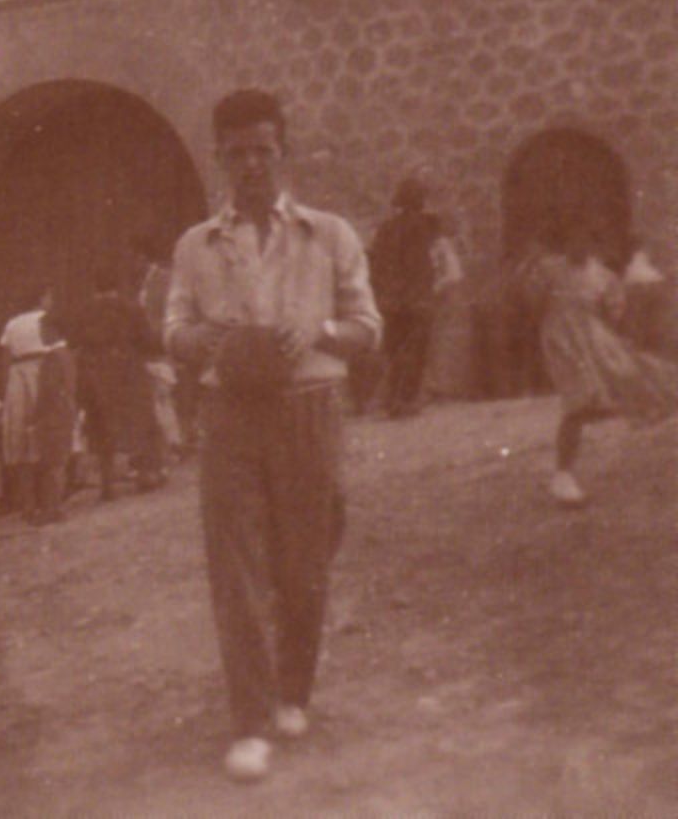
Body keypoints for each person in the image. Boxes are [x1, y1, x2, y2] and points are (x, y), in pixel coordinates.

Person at [165, 89, 381, 782]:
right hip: (229, 414)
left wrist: (314, 331)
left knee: (304, 563)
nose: (251, 164)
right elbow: (173, 331)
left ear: (282, 150)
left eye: (263, 150)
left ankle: (293, 690)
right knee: (236, 569)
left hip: (309, 405)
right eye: (237, 154)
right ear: (220, 159)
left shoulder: (329, 234)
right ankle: (250, 721)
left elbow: (367, 328)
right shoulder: (196, 246)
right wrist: (214, 343)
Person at [529, 227, 678, 506]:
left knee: (628, 379)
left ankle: (564, 473)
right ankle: (563, 476)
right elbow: (533, 305)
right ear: (567, 243)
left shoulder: (603, 276)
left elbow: (614, 312)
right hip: (560, 340)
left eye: (586, 241)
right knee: (578, 399)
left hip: (593, 339)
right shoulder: (551, 269)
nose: (579, 246)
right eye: (574, 240)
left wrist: (613, 334)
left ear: (594, 245)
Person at [71, 269, 162, 500]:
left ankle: (107, 483)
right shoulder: (131, 308)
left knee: (100, 424)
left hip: (96, 373)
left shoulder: (84, 312)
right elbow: (147, 341)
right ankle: (146, 473)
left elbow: (75, 342)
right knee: (141, 418)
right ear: (116, 287)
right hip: (127, 369)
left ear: (95, 288)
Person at [368, 177, 442, 417]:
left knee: (395, 350)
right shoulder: (423, 227)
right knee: (415, 350)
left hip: (391, 301)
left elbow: (375, 262)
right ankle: (406, 400)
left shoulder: (387, 228)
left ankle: (393, 400)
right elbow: (421, 265)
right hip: (416, 299)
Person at [0, 287, 52, 515]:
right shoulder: (45, 319)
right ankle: (47, 500)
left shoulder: (12, 324)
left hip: (17, 376)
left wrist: (6, 388)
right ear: (40, 299)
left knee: (20, 435)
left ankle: (28, 502)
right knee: (45, 431)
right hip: (43, 371)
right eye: (49, 297)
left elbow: (5, 358)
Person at [30, 311, 78, 525]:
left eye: (42, 329)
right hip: (66, 410)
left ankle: (52, 509)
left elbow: (47, 389)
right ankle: (56, 507)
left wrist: (35, 415)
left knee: (51, 463)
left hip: (52, 413)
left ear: (51, 330)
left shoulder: (52, 357)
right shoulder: (67, 354)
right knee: (59, 461)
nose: (40, 334)